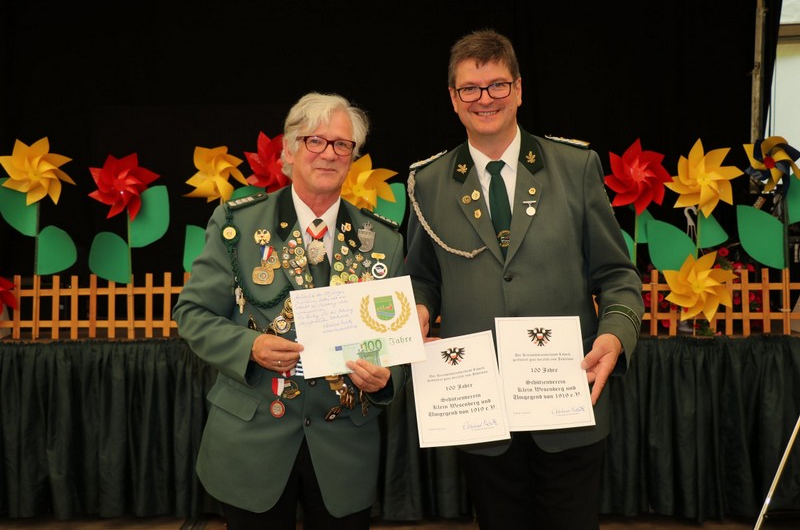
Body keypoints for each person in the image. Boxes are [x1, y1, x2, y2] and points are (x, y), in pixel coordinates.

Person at [405, 29, 644, 529]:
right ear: (452, 98)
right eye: (470, 88)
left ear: (518, 90)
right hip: (478, 406)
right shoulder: (428, 182)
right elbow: (422, 278)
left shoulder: (575, 167)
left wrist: (615, 335)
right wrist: (419, 311)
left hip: (568, 397)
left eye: (497, 85)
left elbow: (617, 275)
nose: (484, 99)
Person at [173, 92, 408, 530]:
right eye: (315, 140)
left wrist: (386, 378)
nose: (329, 153)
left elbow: (396, 340)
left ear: (353, 157)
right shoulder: (237, 224)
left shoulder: (384, 241)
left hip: (344, 448)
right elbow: (193, 314)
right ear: (289, 150)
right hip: (253, 441)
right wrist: (250, 346)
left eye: (342, 144)